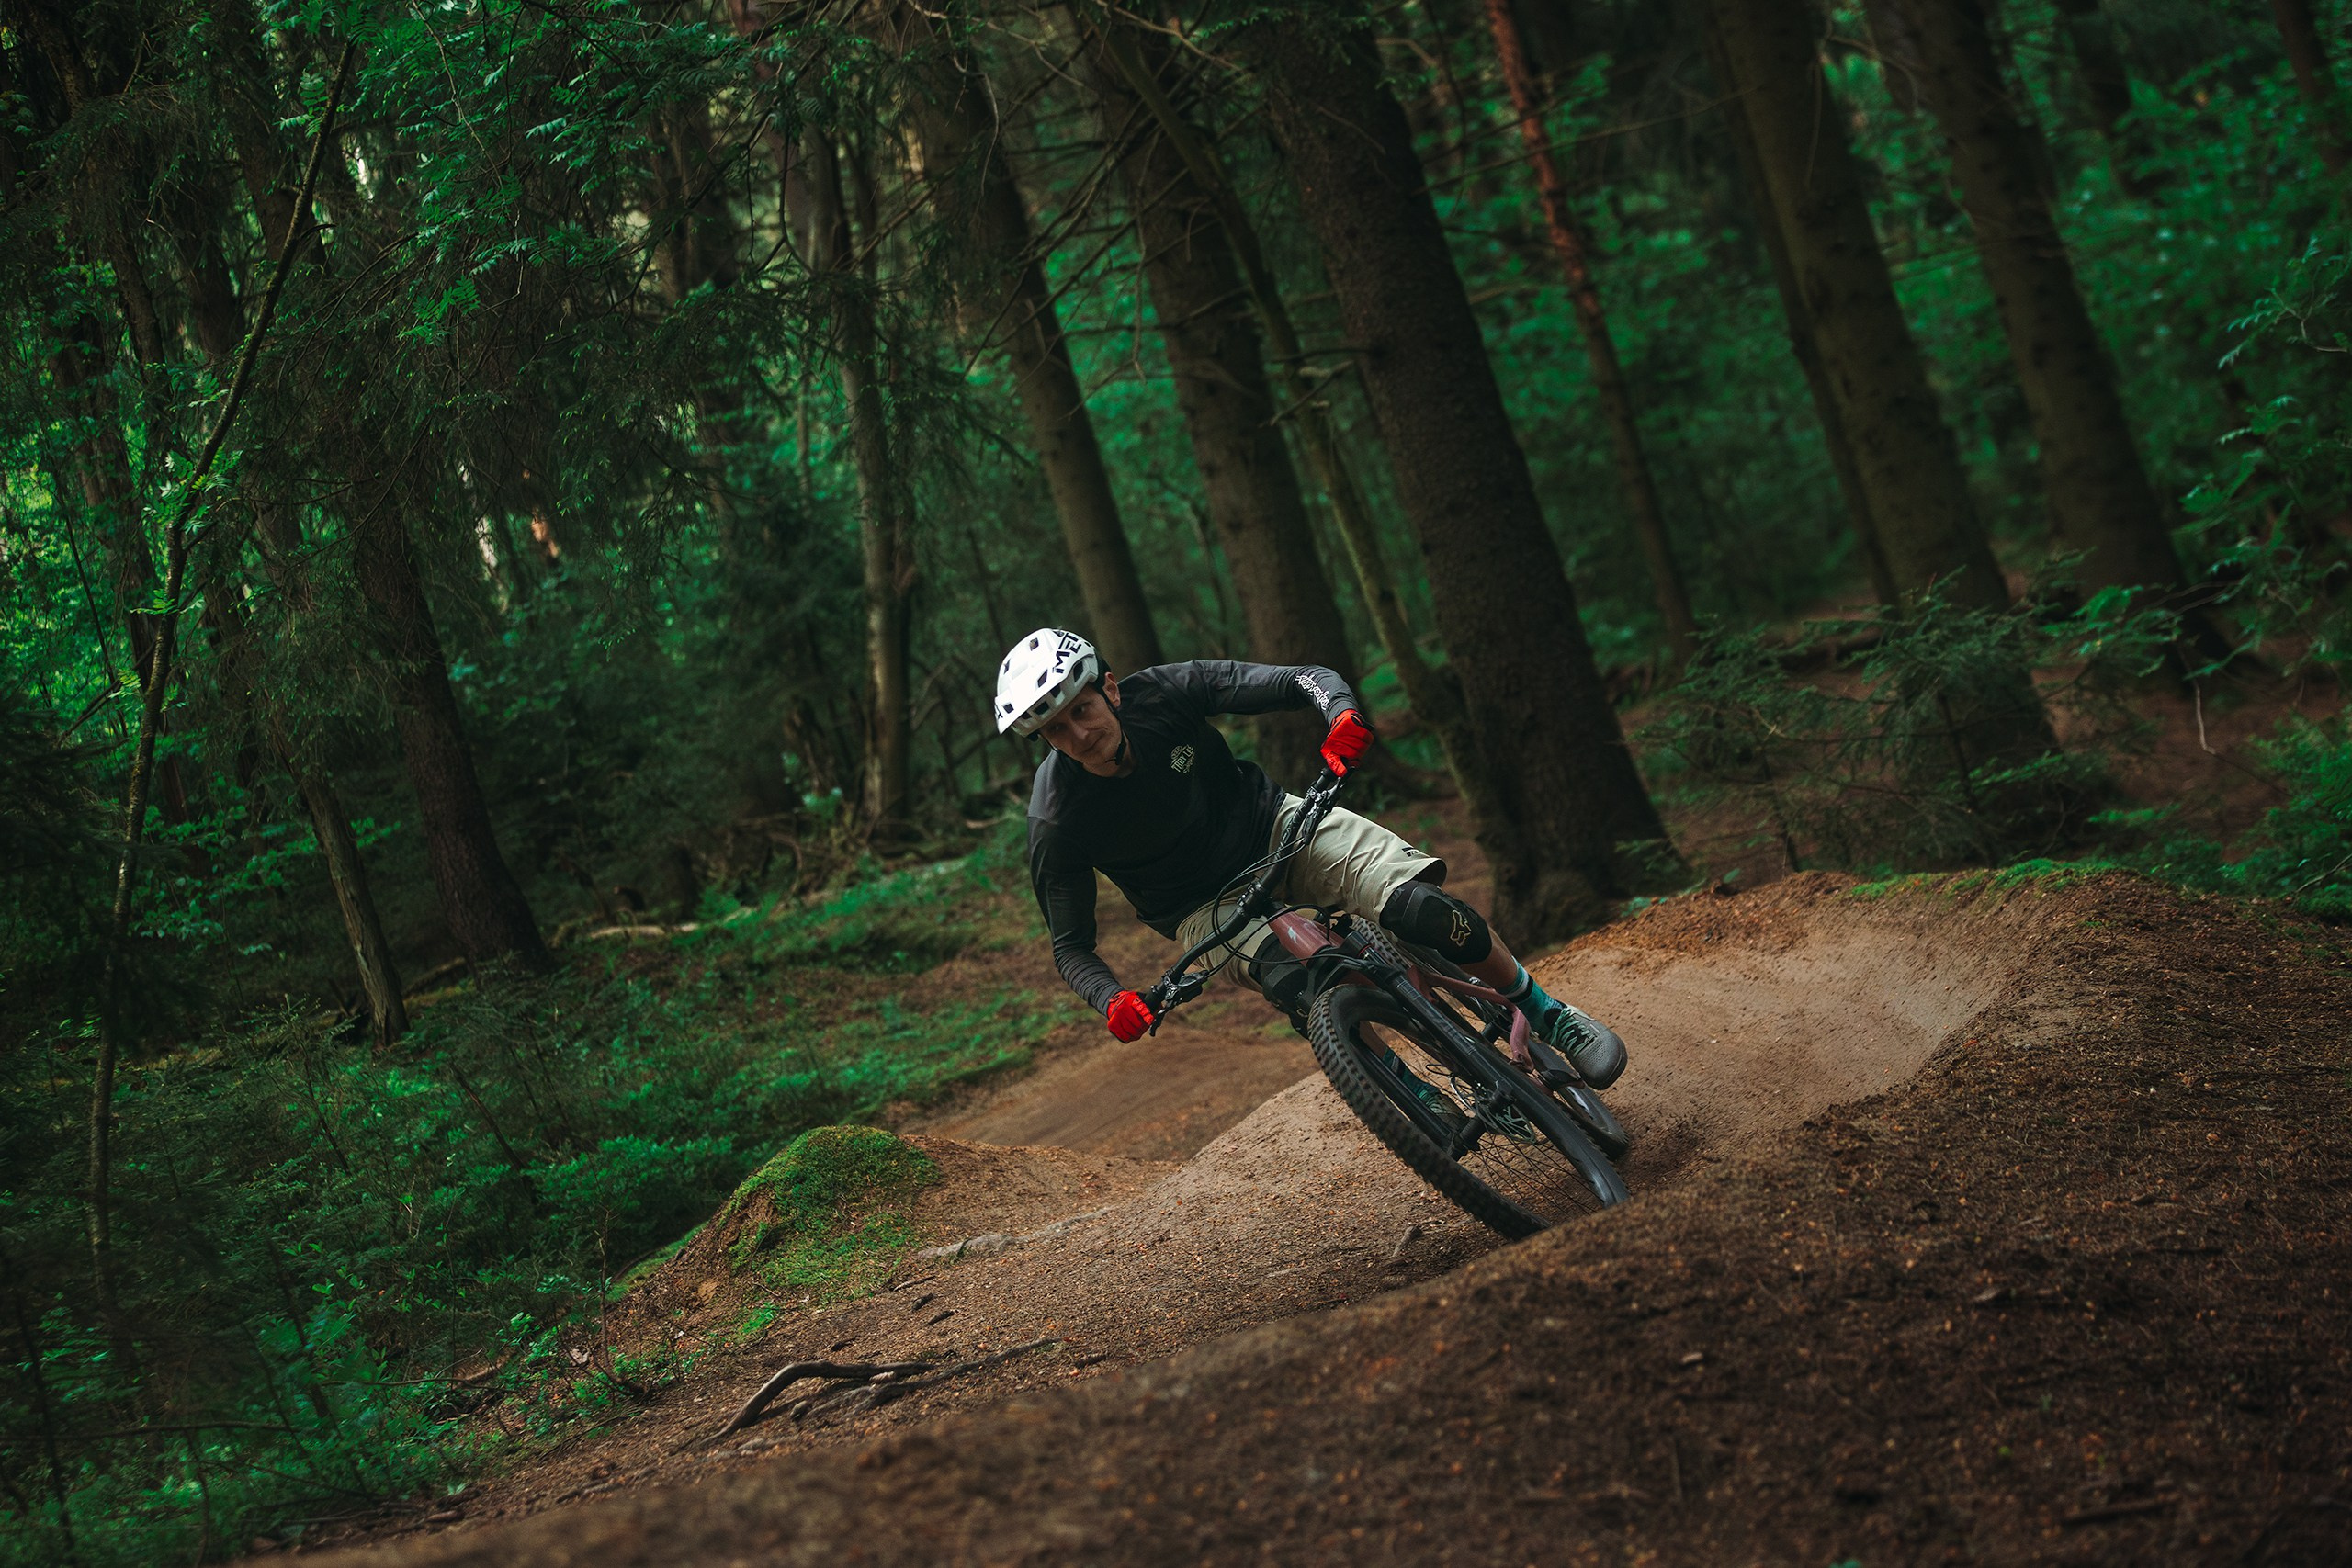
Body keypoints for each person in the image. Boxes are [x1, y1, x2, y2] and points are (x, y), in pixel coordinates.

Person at [996, 627, 1626, 1088]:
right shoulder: (1056, 818)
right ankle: (1411, 1098)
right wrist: (1111, 998)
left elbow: (1299, 678)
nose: (1079, 735)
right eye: (1056, 730)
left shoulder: (1165, 692)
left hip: (1276, 826)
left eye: (1081, 710)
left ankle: (1547, 1011)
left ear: (1109, 688)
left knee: (1418, 907)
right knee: (1306, 984)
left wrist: (1340, 713)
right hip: (1203, 909)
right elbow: (1070, 945)